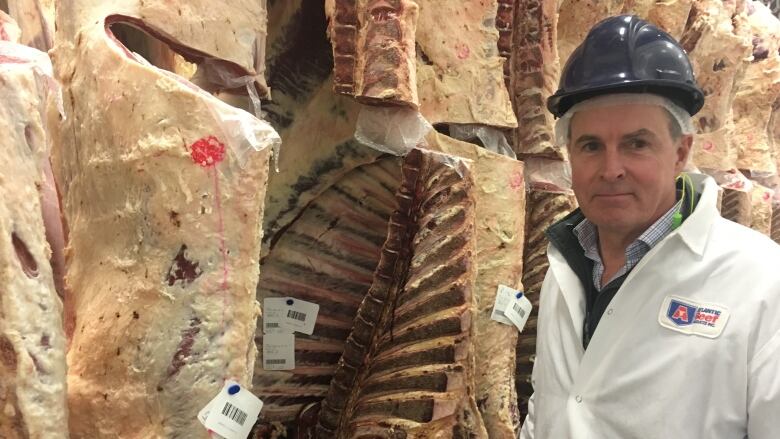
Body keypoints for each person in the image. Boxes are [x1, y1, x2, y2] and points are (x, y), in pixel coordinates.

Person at [520, 15, 780, 439]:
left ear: (680, 153)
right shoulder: (566, 264)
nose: (612, 169)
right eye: (590, 146)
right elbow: (548, 406)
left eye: (636, 144)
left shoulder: (765, 281)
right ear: (568, 153)